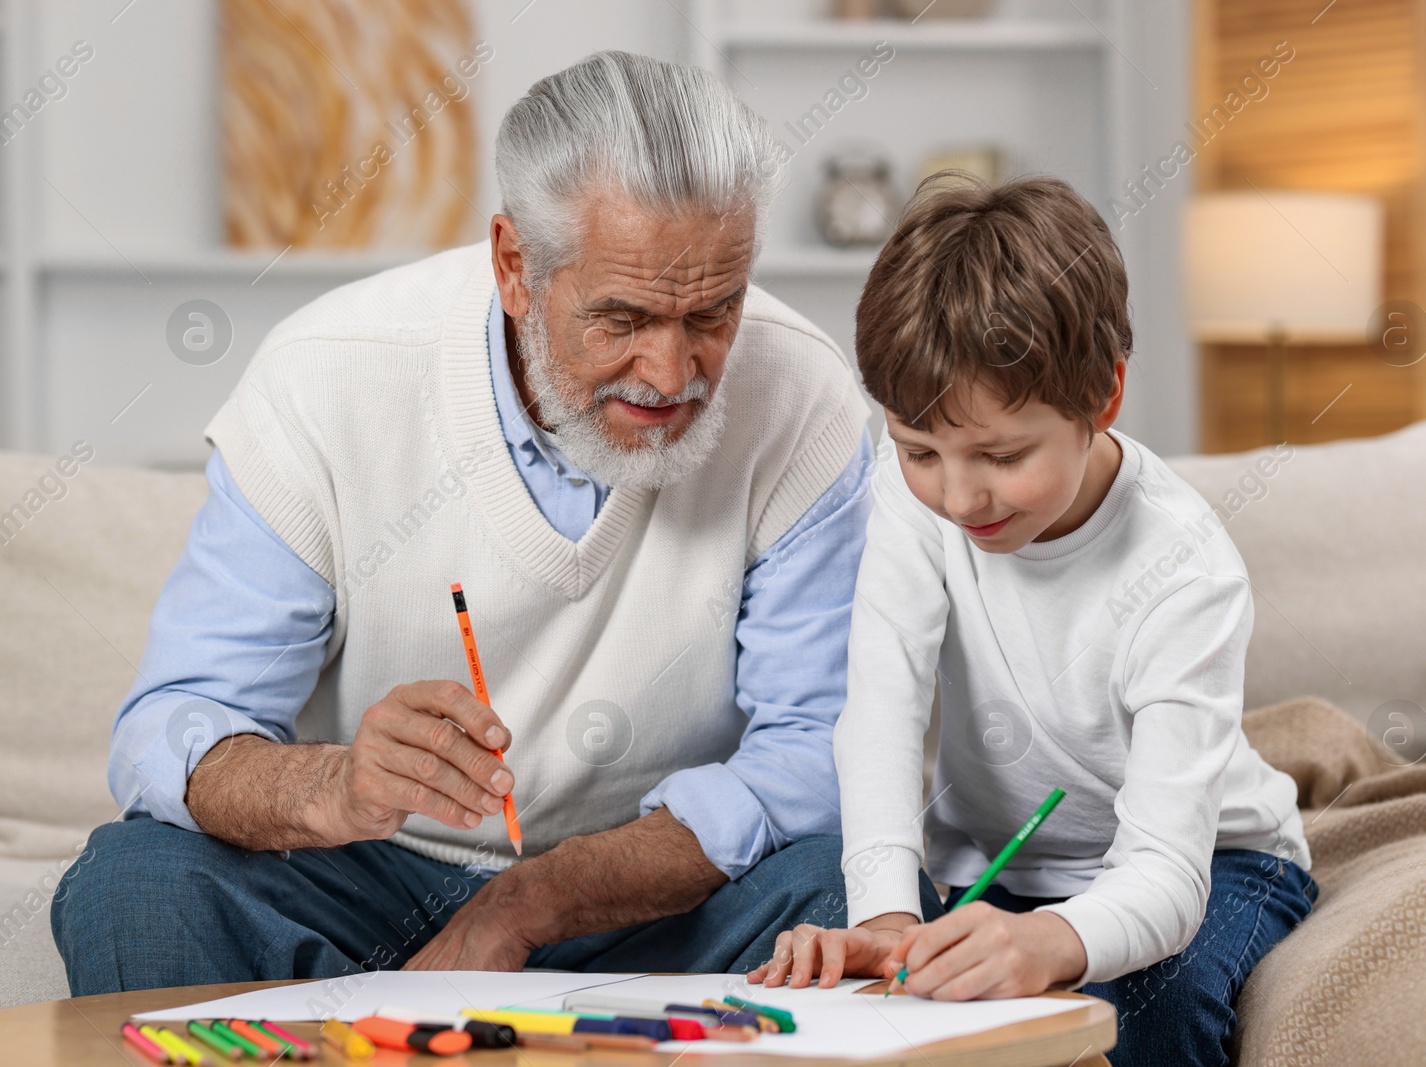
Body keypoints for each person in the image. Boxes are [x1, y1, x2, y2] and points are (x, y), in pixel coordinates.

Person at [52, 51, 871, 993]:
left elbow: (817, 751)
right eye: (623, 318)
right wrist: (334, 785)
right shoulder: (324, 376)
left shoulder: (803, 396)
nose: (669, 371)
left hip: (652, 897)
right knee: (133, 883)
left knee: (840, 891)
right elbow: (174, 726)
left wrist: (532, 901)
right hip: (370, 873)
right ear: (516, 266)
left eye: (713, 313)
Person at [750, 174, 1316, 1067]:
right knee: (852, 968)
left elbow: (1168, 878)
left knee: (1146, 1006)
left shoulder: (1186, 572)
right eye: (919, 450)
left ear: (1104, 397)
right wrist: (890, 918)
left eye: (1002, 455)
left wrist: (1047, 943)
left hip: (1221, 863)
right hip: (1002, 869)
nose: (960, 494)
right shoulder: (915, 502)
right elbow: (881, 711)